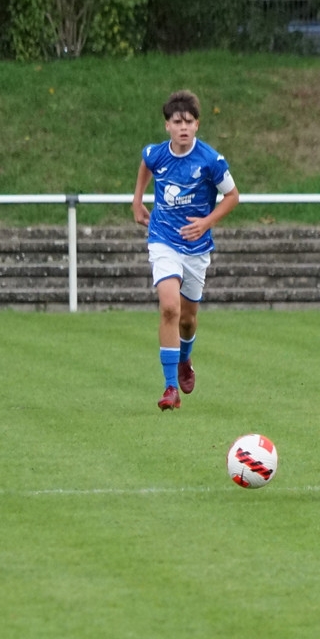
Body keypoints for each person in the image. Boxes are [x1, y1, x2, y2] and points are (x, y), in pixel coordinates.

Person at [132, 90, 240, 411]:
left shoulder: (210, 160)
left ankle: (184, 359)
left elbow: (233, 196)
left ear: (197, 125)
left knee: (188, 320)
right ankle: (169, 388)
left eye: (189, 122)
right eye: (177, 122)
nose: (183, 127)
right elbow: (145, 164)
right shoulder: (157, 154)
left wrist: (206, 222)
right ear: (167, 126)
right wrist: (137, 200)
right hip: (163, 238)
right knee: (169, 307)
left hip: (196, 247)